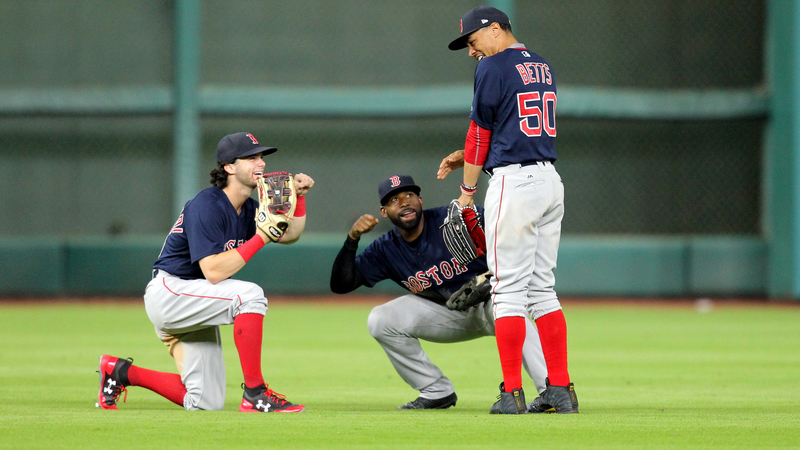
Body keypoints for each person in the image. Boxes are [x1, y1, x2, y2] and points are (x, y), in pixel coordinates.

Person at [97, 132, 314, 413]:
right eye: (251, 157)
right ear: (229, 167)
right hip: (171, 292)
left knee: (205, 402)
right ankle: (255, 393)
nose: (260, 163)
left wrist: (299, 197)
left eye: (261, 156)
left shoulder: (248, 208)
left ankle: (120, 373)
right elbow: (212, 271)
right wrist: (260, 238)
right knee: (250, 296)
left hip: (196, 297)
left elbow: (290, 235)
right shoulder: (207, 205)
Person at [439, 6, 578, 414]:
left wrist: (466, 191)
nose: (470, 51)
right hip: (550, 180)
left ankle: (511, 393)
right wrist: (468, 155)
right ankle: (560, 389)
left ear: (495, 30)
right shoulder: (542, 65)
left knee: (507, 291)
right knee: (542, 290)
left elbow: (480, 130)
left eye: (472, 40)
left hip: (515, 185)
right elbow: (513, 127)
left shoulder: (493, 66)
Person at [330, 174, 548, 410]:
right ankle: (436, 391)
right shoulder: (385, 250)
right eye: (394, 200)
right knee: (380, 319)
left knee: (513, 313)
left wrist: (501, 274)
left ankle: (550, 391)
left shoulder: (453, 219)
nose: (404, 202)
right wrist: (352, 239)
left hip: (492, 304)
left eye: (409, 195)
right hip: (447, 315)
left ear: (421, 200)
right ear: (384, 212)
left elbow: (508, 229)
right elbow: (341, 285)